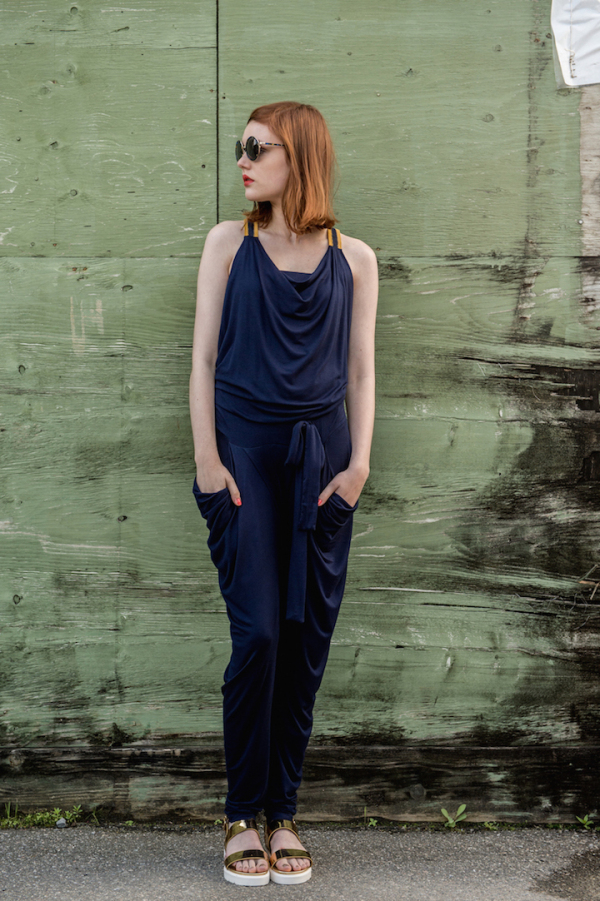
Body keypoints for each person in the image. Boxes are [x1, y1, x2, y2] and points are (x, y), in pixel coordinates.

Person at [189, 101, 378, 886]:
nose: (243, 159)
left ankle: (284, 812)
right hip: (242, 458)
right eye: (243, 147)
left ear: (299, 158)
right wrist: (207, 460)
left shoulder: (354, 258)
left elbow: (362, 369)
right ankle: (242, 813)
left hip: (322, 464)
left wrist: (358, 465)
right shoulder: (227, 245)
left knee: (305, 642)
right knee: (260, 633)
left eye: (258, 148)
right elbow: (203, 361)